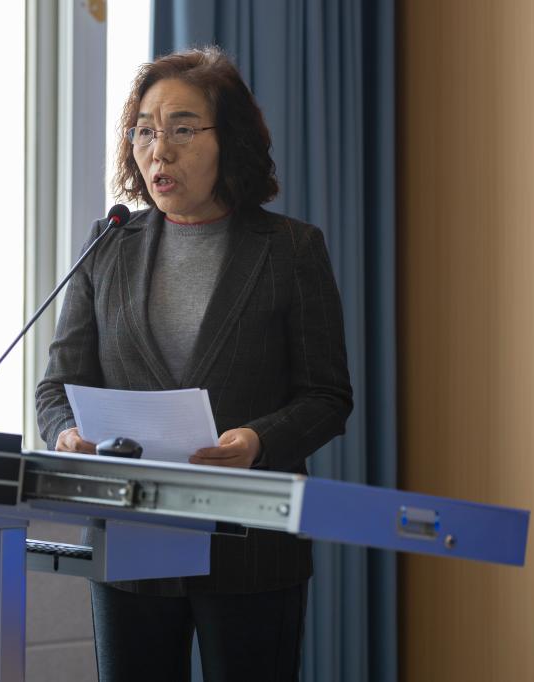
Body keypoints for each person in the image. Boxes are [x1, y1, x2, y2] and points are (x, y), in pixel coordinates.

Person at [35, 46, 353, 681]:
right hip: (130, 536)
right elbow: (57, 389)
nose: (160, 151)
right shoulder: (108, 245)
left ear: (228, 141)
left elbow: (326, 395)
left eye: (182, 130)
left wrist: (258, 440)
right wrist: (66, 433)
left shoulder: (290, 249)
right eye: (144, 132)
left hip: (249, 542)